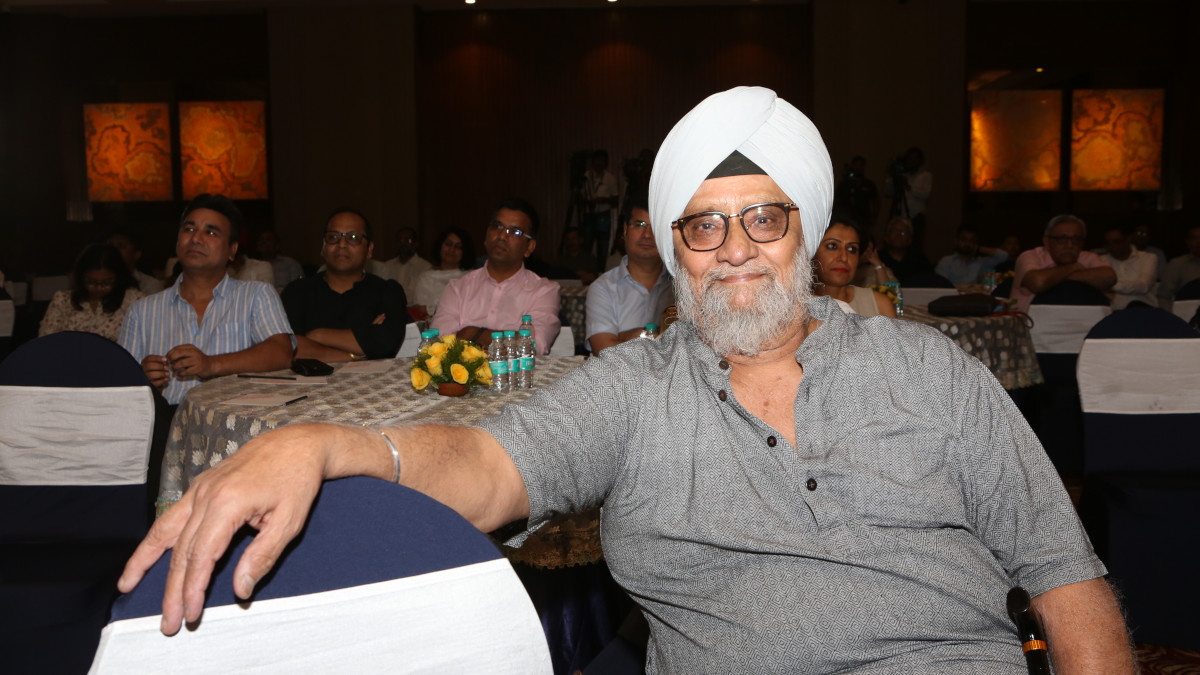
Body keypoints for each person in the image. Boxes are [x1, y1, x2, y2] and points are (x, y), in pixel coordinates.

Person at [120, 87, 1134, 674]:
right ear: (676, 251)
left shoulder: (931, 369)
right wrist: (333, 444)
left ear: (809, 232)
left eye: (765, 217)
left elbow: (1067, 582)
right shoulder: (634, 390)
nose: (735, 248)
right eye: (704, 225)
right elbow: (486, 464)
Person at [118, 194, 294, 405]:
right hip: (166, 419)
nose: (196, 239)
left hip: (234, 417)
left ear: (232, 250)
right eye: (189, 229)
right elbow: (120, 388)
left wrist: (211, 364)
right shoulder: (141, 311)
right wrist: (142, 382)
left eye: (210, 232)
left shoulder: (256, 295)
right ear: (178, 242)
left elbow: (281, 353)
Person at [430, 198, 560, 354]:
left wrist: (471, 333)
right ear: (486, 237)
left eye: (515, 232)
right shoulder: (458, 288)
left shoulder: (543, 291)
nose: (502, 236)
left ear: (529, 248)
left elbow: (535, 344)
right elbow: (438, 343)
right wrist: (510, 338)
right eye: (497, 226)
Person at [282, 208, 407, 363]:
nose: (341, 244)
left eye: (353, 237)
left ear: (369, 249)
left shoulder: (387, 291)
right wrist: (358, 352)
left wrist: (316, 336)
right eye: (333, 237)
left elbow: (385, 343)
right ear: (323, 247)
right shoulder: (296, 292)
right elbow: (288, 347)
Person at [585, 199, 674, 354]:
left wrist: (625, 337)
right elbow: (604, 352)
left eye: (656, 227)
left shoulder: (684, 286)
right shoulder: (602, 288)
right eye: (639, 225)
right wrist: (660, 335)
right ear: (625, 230)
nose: (647, 234)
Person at [39, 243, 145, 341]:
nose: (99, 288)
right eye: (91, 282)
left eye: (107, 283)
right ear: (81, 277)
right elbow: (46, 340)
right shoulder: (63, 300)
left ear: (118, 277)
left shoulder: (134, 300)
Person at [1012, 215, 1116, 313]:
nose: (1070, 245)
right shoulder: (1030, 256)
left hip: (1081, 319)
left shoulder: (1087, 257)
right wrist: (1073, 267)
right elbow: (1037, 283)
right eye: (1062, 239)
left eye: (1076, 239)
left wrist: (1058, 276)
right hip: (1032, 322)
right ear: (1047, 242)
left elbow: (1109, 278)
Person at [812, 217, 896, 318]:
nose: (844, 257)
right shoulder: (798, 306)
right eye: (832, 246)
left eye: (852, 249)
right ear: (811, 251)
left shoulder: (880, 305)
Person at [411, 227, 474, 319]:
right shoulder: (426, 277)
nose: (452, 250)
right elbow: (419, 310)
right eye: (448, 244)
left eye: (458, 247)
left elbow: (471, 309)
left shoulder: (472, 277)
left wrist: (430, 309)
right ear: (440, 246)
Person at [1098, 225, 1157, 309]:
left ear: (1128, 239)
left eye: (1116, 242)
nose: (1112, 247)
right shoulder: (1101, 260)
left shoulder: (1148, 258)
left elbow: (1143, 286)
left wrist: (1109, 286)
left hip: (1145, 310)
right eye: (1108, 243)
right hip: (1113, 313)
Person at [884, 147, 932, 241]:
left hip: (916, 216)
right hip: (900, 215)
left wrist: (908, 187)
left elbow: (925, 194)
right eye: (910, 158)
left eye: (915, 158)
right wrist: (891, 176)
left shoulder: (926, 175)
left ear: (920, 160)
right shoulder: (903, 174)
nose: (912, 161)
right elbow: (888, 192)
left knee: (916, 242)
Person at [935, 225, 1009, 285]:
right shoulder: (946, 261)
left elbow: (1004, 256)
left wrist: (979, 248)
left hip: (974, 297)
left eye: (972, 241)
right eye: (963, 240)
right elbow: (940, 285)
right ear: (956, 241)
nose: (967, 244)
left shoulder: (981, 262)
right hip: (950, 297)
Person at [582, 150, 619, 262]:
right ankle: (586, 266)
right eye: (597, 160)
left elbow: (615, 200)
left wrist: (603, 200)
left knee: (603, 245)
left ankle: (601, 269)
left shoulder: (610, 178)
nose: (599, 163)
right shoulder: (586, 176)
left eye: (602, 160)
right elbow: (579, 196)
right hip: (588, 213)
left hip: (603, 214)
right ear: (593, 162)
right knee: (586, 243)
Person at [381, 226, 432, 301]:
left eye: (408, 240)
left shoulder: (425, 267)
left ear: (416, 243)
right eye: (400, 240)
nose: (403, 243)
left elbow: (426, 296)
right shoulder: (386, 266)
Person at [877, 216, 934, 282]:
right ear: (886, 237)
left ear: (910, 240)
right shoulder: (877, 258)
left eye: (903, 232)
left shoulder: (920, 261)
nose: (898, 235)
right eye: (894, 231)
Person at [107, 231, 164, 296]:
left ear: (137, 254)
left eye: (121, 246)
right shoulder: (99, 282)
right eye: (110, 245)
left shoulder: (150, 285)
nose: (114, 250)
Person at [834, 155, 879, 229]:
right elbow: (837, 200)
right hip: (846, 220)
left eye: (861, 165)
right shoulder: (845, 183)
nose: (858, 168)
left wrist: (872, 219)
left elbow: (875, 202)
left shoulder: (869, 184)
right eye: (856, 165)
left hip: (863, 221)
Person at [1160, 224, 1200, 304]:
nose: (1199, 241)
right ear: (1187, 242)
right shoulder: (1176, 264)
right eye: (1194, 238)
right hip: (1185, 310)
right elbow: (1164, 296)